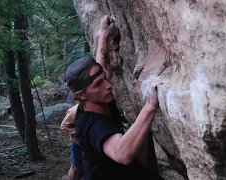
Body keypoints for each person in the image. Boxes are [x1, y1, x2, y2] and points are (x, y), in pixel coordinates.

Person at [63, 15, 162, 180]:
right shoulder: (93, 126)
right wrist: (149, 107)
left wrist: (104, 35)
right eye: (98, 85)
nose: (108, 85)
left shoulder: (93, 99)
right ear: (81, 95)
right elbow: (121, 153)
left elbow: (99, 68)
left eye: (103, 79)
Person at [61, 103, 83, 180]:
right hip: (76, 143)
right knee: (75, 165)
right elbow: (63, 126)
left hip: (85, 143)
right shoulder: (73, 111)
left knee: (83, 166)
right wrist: (77, 131)